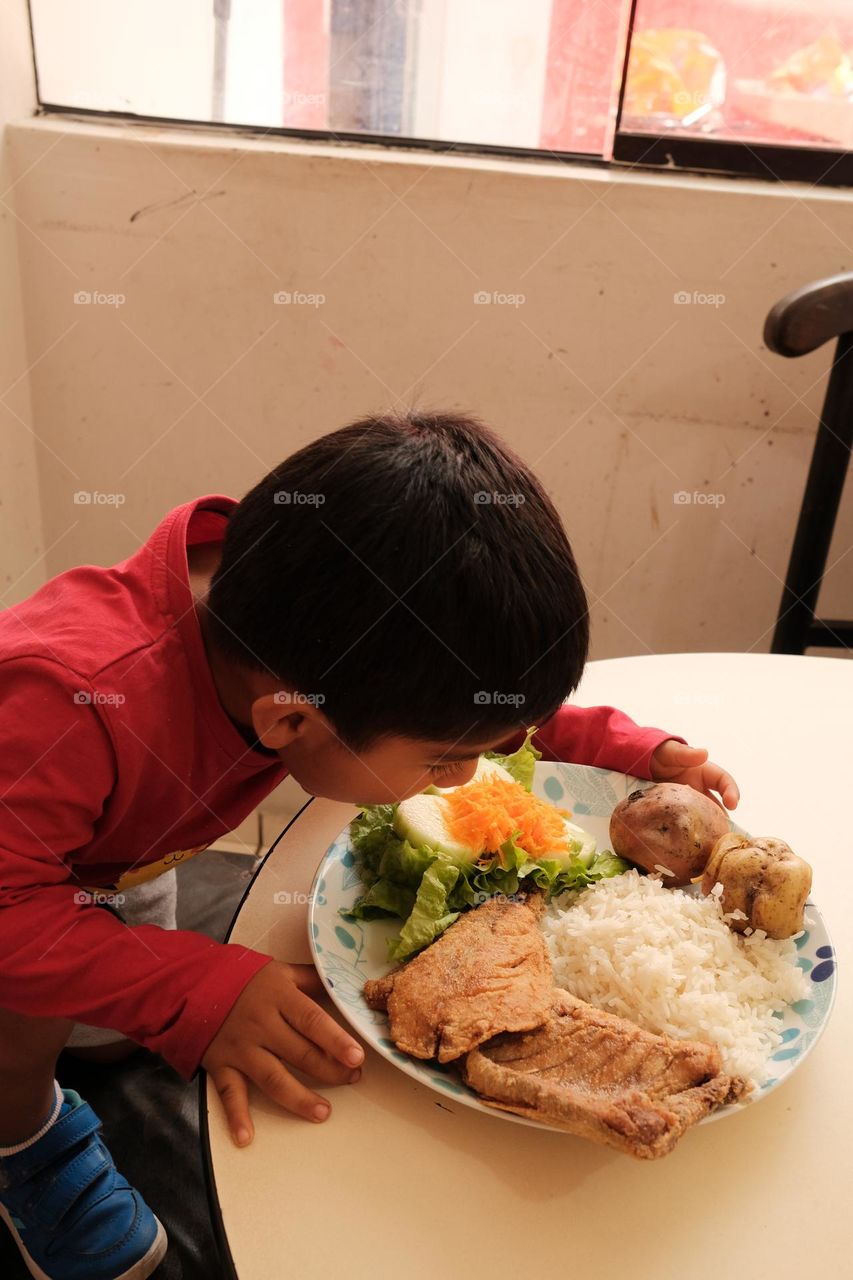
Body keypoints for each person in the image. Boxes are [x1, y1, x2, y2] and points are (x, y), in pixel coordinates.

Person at [0, 411, 738, 1279]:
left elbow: (465, 697)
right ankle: (24, 1141)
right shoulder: (65, 702)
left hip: (119, 847)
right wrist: (186, 985)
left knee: (109, 1027)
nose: (463, 777)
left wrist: (627, 751)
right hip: (27, 884)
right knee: (27, 1014)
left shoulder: (303, 631)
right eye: (442, 760)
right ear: (293, 721)